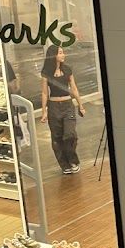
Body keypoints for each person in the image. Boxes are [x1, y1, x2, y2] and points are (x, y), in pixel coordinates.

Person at [39, 44, 85, 174]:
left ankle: (73, 161)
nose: (63, 55)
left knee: (70, 135)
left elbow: (74, 88)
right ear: (54, 56)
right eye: (60, 53)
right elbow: (44, 93)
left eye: (62, 52)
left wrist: (80, 104)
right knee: (56, 138)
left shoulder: (68, 70)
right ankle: (64, 165)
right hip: (53, 107)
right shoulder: (46, 73)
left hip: (68, 106)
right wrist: (44, 112)